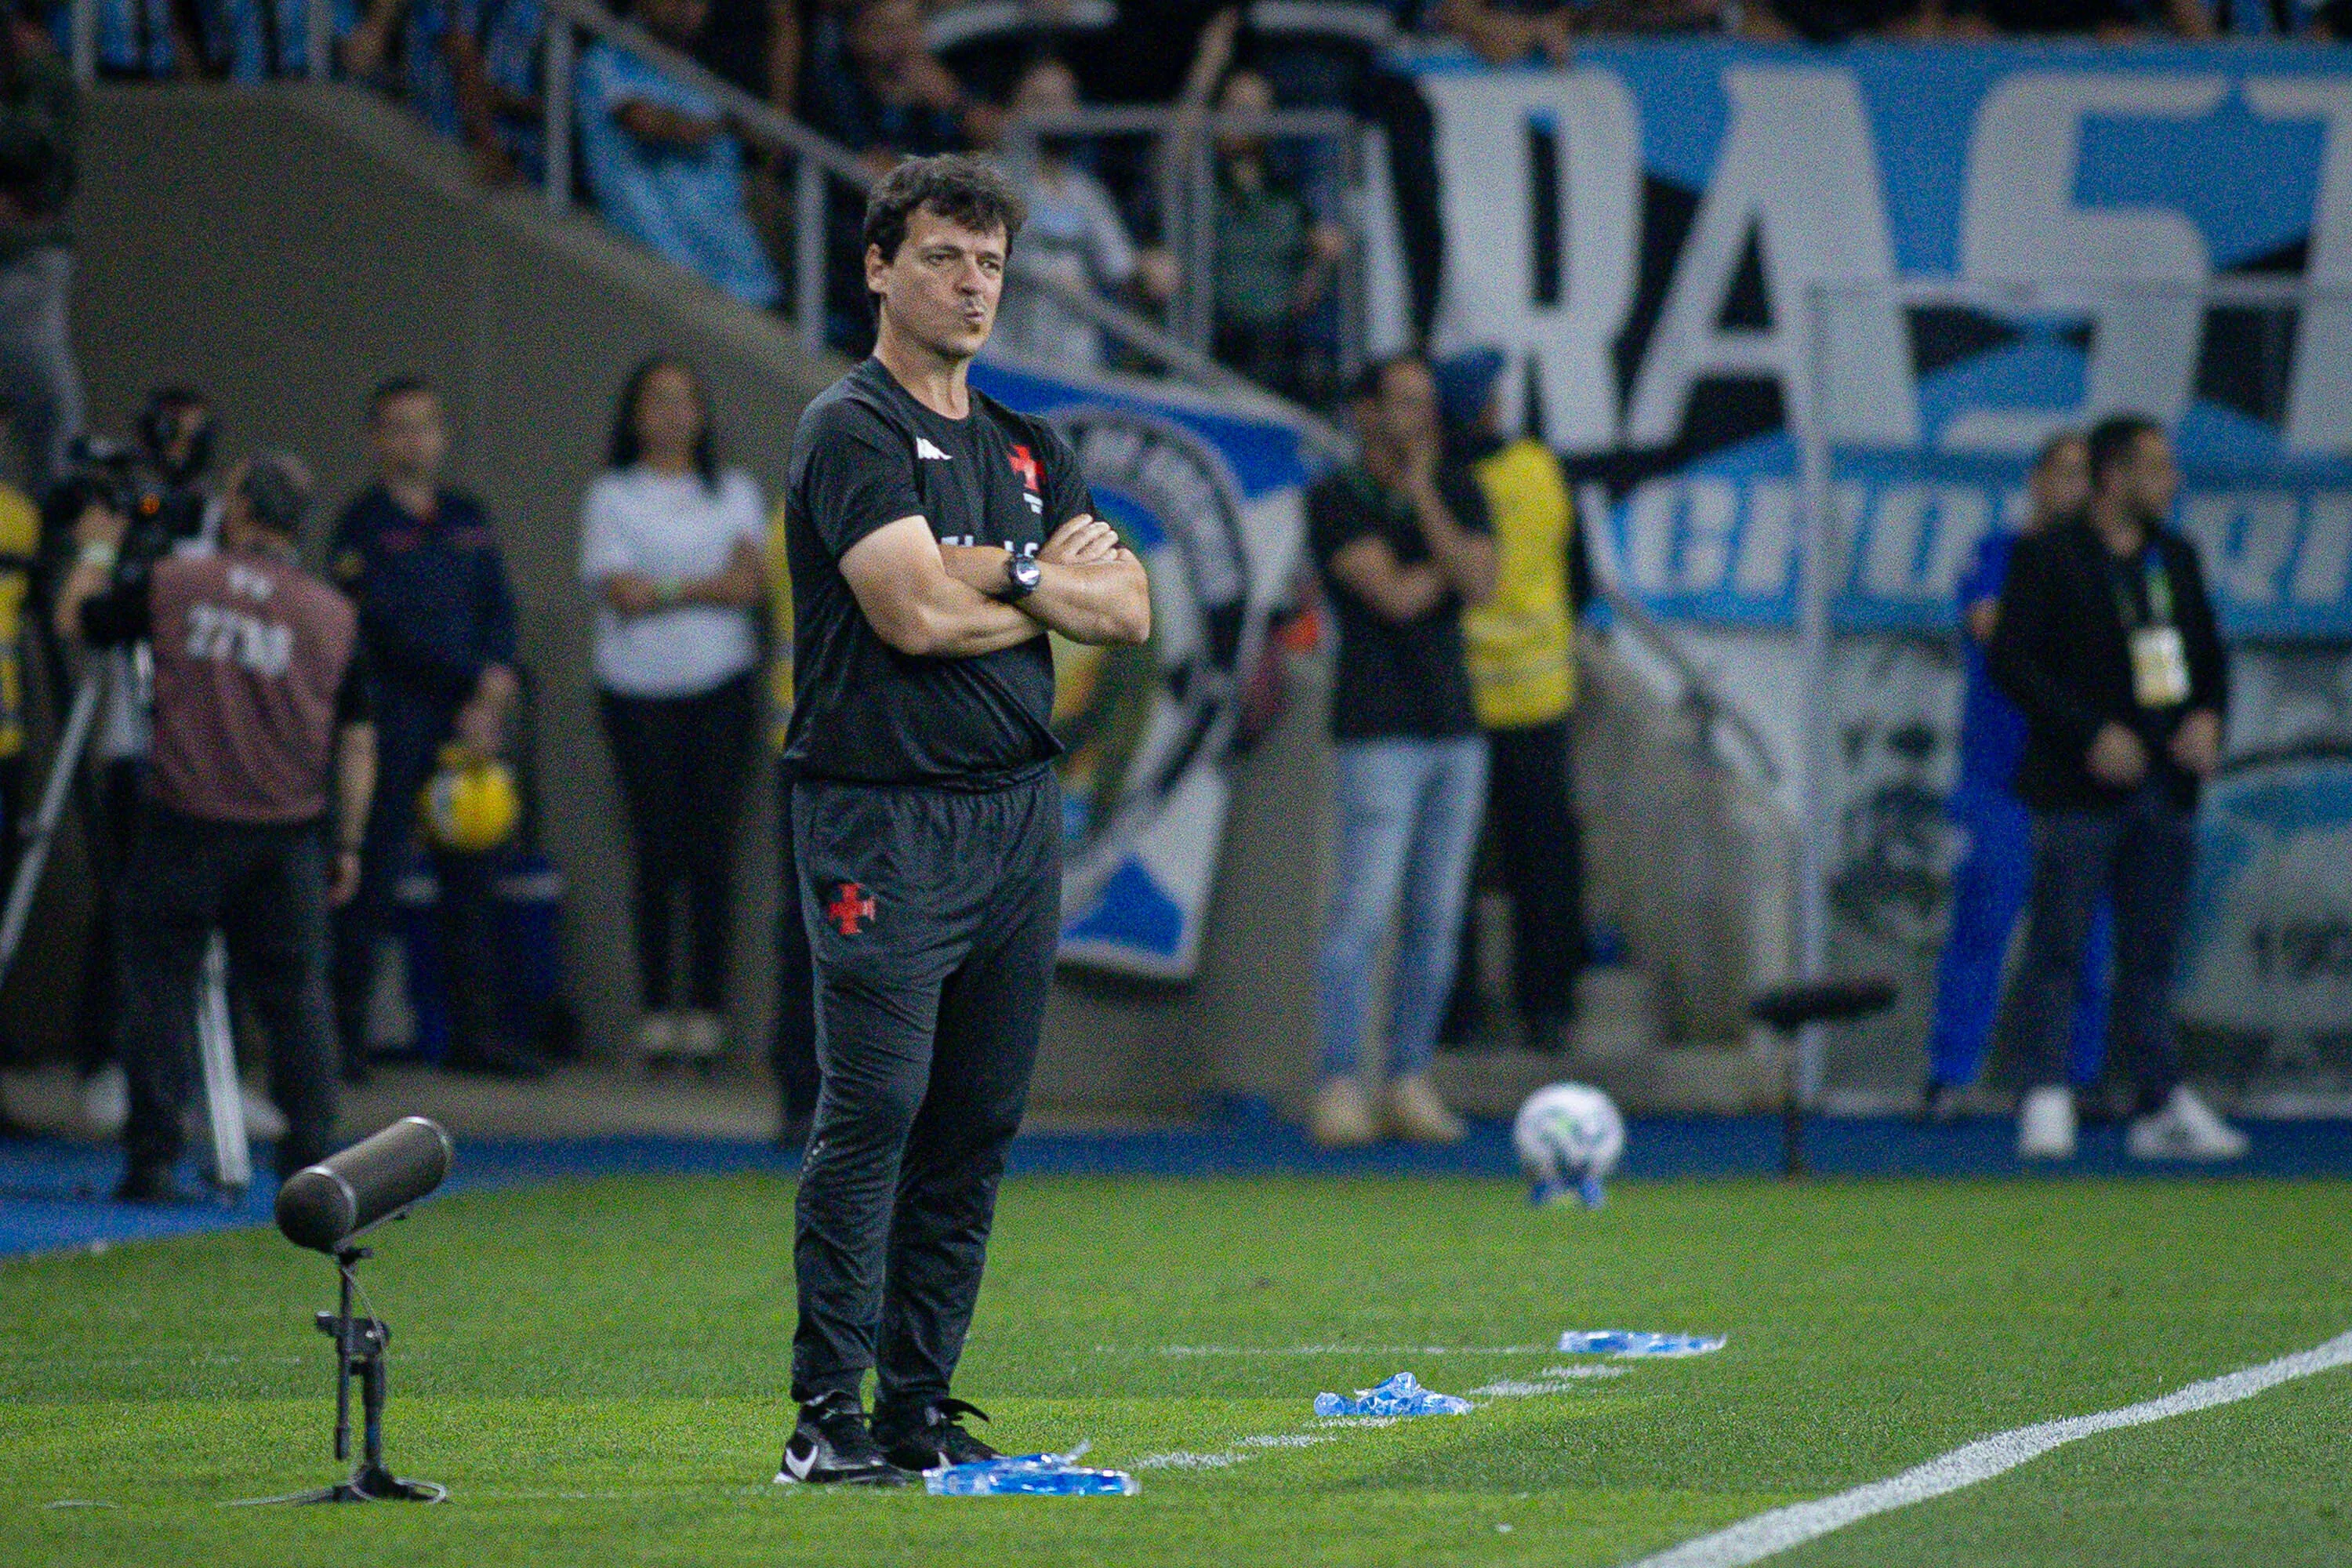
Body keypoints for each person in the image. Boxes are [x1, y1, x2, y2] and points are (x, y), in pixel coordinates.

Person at [776, 154, 1149, 1483]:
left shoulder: (1031, 447)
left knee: (976, 1125)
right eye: (942, 256)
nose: (971, 283)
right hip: (880, 820)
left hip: (1012, 819)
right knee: (875, 1108)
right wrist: (1043, 580)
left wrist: (1004, 569)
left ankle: (918, 1403)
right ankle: (825, 1415)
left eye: (989, 263)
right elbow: (909, 614)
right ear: (881, 267)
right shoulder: (853, 428)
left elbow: (1133, 610)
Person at [56, 453, 375, 1202]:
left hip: (186, 820)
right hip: (288, 829)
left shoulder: (177, 585)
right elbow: (358, 740)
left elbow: (80, 620)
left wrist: (100, 545)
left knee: (159, 991)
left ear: (235, 510)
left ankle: (154, 1159)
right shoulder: (332, 614)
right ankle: (313, 1166)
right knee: (297, 998)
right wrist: (349, 841)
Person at [1987, 414, 2246, 1163]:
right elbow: (2014, 663)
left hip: (2166, 785)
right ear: (2113, 477)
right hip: (2078, 787)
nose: (2171, 483)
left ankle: (2158, 1098)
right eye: (2156, 469)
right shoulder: (2048, 557)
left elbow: (2209, 654)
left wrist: (2209, 719)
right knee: (2061, 944)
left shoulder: (2177, 558)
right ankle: (2045, 1094)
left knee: (2154, 952)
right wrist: (2089, 733)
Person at [1305, 354, 1497, 1150]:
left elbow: (1481, 582)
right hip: (1377, 727)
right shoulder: (1335, 497)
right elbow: (1397, 594)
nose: (1420, 417)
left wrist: (1423, 496)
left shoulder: (1454, 487)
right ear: (1365, 411)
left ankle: (1409, 1076)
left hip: (1455, 727)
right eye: (1403, 402)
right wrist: (1442, 567)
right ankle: (1340, 1081)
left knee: (1438, 917)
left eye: (1427, 402)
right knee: (1362, 909)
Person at [327, 377, 535, 1080]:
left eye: (425, 425)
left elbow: (500, 608)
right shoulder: (361, 526)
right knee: (372, 874)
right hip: (395, 720)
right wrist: (472, 680)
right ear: (375, 438)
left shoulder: (467, 516)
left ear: (442, 435)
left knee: (475, 878)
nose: (413, 439)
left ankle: (475, 1037)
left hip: (469, 726)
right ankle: (344, 1038)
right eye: (397, 426)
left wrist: (497, 682)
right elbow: (378, 625)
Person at [1924, 432, 2115, 1123]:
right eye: (2062, 473)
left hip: (2081, 787)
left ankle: (2076, 1080)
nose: (2074, 488)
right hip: (2000, 780)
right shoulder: (1998, 554)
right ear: (2036, 480)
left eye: (2085, 476)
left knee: (2086, 937)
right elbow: (1991, 628)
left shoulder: (2116, 566)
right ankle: (1951, 1076)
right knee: (1983, 926)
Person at [581, 356, 765, 1068]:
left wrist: (664, 588)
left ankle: (710, 1017)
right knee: (655, 851)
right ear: (634, 413)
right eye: (658, 400)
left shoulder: (736, 492)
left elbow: (747, 584)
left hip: (721, 687)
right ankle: (659, 1012)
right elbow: (616, 591)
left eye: (687, 400)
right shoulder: (611, 495)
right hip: (634, 691)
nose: (673, 414)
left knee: (714, 853)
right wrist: (700, 584)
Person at [1432, 347, 1588, 1057]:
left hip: (1462, 696)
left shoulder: (1439, 480)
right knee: (1545, 865)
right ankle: (1549, 1009)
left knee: (1450, 869)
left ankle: (1454, 1014)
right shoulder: (1538, 469)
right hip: (1540, 696)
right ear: (1489, 405)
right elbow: (1578, 577)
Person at [575, 0, 779, 308]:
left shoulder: (705, 79)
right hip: (655, 263)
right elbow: (643, 121)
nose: (686, 5)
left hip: (740, 282)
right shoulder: (609, 56)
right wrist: (719, 126)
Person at [988, 56, 1174, 375]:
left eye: (1063, 100)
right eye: (1042, 101)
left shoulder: (1086, 193)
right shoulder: (990, 182)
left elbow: (1123, 271)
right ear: (1016, 107)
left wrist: (1150, 273)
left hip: (1076, 367)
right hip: (1009, 360)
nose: (1054, 112)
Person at [0, 10, 82, 499]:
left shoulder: (41, 76)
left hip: (26, 265)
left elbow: (37, 150)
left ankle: (61, 521)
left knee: (48, 408)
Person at [764, 486, 818, 1146]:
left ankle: (804, 1096)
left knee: (811, 926)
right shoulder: (829, 505)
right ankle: (807, 1094)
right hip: (832, 757)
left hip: (810, 749)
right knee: (821, 927)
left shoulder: (793, 506)